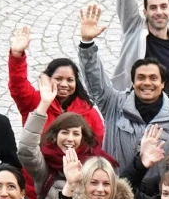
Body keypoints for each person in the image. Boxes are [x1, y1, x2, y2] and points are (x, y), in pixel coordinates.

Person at [79, 11, 169, 172]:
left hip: (161, 188)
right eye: (141, 78)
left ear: (162, 84)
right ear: (133, 82)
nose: (147, 83)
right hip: (116, 186)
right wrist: (87, 44)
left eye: (153, 78)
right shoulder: (114, 105)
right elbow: (96, 82)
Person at [8, 26, 108, 162]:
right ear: (48, 79)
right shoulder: (35, 101)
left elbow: (99, 146)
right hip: (39, 171)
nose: (64, 84)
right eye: (58, 79)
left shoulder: (89, 112)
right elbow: (18, 85)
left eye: (70, 80)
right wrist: (16, 55)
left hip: (77, 170)